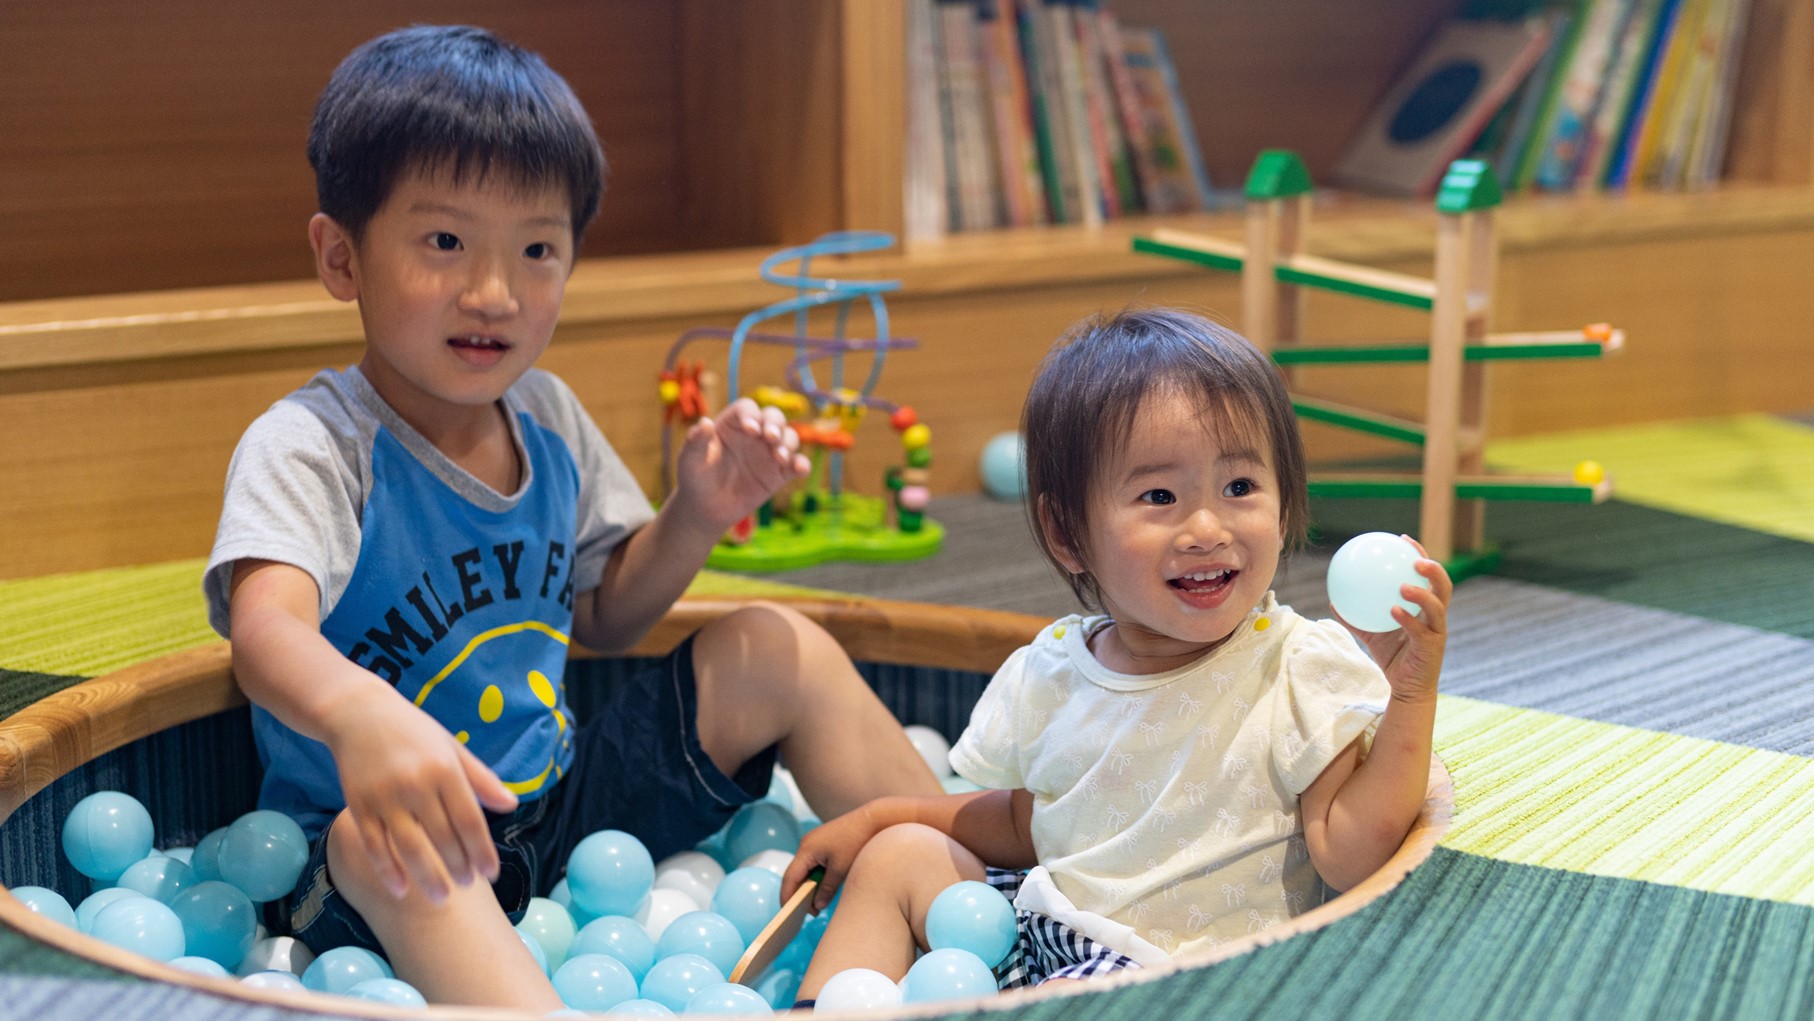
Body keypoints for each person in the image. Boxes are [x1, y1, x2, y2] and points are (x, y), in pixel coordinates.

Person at [202, 25, 938, 1010]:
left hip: (559, 809)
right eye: (445, 241)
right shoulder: (313, 445)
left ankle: (970, 879)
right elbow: (264, 632)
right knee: (374, 843)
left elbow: (606, 618)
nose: (494, 290)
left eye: (538, 248)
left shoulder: (546, 416)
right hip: (376, 860)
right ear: (341, 256)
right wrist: (359, 717)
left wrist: (695, 512)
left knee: (777, 643)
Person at [782, 308, 1452, 996]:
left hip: (1174, 981)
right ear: (1067, 532)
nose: (1207, 527)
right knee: (898, 856)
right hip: (1050, 939)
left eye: (1240, 487)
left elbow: (1350, 855)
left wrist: (1410, 693)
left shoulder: (1296, 666)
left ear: (1283, 504)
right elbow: (1025, 825)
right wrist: (879, 817)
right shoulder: (1052, 672)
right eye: (1159, 495)